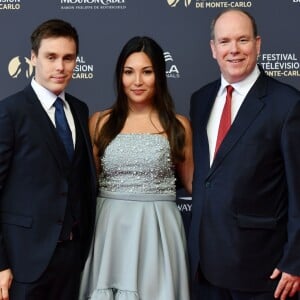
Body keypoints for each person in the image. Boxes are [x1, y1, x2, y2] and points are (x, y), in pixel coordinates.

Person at [188, 8, 300, 300]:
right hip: (204, 267)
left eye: (242, 40)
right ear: (213, 49)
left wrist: (296, 261)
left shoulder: (287, 104)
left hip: (262, 271)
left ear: (258, 44)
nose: (233, 50)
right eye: (224, 41)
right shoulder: (200, 100)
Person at [79, 36, 193, 300]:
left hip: (158, 232)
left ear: (160, 76)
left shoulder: (178, 126)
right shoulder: (99, 122)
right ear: (120, 76)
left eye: (147, 72)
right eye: (129, 72)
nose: (138, 81)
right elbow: (85, 184)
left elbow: (197, 185)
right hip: (108, 230)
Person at [0, 19, 97, 300]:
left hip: (72, 258)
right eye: (51, 57)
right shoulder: (10, 113)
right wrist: (1, 263)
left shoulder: (79, 109)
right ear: (33, 58)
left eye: (68, 58)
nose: (60, 67)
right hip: (23, 262)